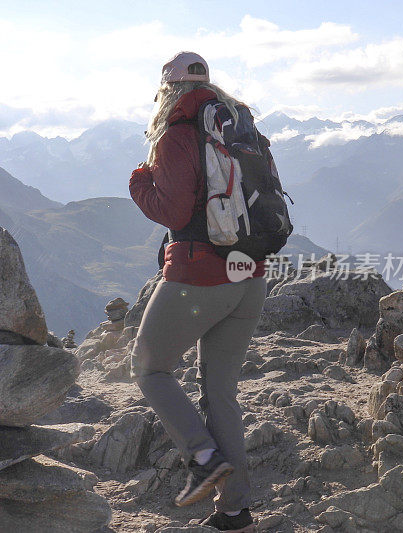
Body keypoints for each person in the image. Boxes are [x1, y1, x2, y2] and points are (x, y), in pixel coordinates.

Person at [129, 51, 266, 533]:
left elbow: (172, 209)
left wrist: (139, 182)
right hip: (250, 276)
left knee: (149, 365)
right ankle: (234, 511)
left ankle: (204, 459)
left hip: (201, 277)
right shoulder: (238, 127)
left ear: (166, 90)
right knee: (220, 393)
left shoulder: (178, 133)